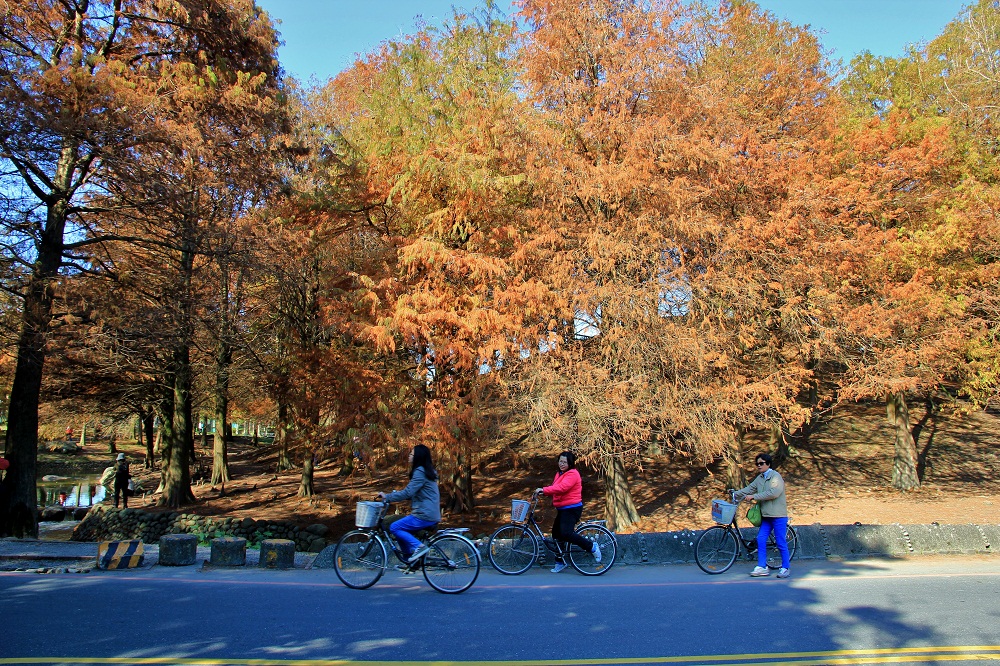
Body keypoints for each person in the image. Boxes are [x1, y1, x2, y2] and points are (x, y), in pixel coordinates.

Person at [534, 450, 601, 573]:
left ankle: (591, 547)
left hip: (572, 508)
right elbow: (556, 488)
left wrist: (544, 489)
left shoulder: (572, 474)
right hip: (562, 509)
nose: (562, 464)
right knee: (556, 534)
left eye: (565, 462)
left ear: (570, 463)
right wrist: (544, 492)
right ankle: (560, 561)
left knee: (566, 533)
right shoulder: (559, 474)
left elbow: (562, 487)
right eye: (560, 461)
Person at [377, 444, 440, 564]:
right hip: (429, 513)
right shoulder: (427, 472)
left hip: (424, 515)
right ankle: (409, 560)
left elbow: (407, 492)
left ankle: (420, 547)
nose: (409, 456)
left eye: (411, 454)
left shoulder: (420, 472)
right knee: (401, 530)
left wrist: (387, 497)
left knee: (395, 527)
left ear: (418, 457)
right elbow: (415, 493)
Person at [734, 452, 790, 579]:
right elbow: (749, 489)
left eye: (761, 463)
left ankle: (785, 567)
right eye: (757, 464)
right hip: (766, 516)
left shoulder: (776, 477)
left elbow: (773, 493)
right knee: (760, 539)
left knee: (780, 541)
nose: (759, 466)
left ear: (768, 464)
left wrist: (754, 496)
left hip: (778, 515)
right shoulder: (760, 478)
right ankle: (762, 566)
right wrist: (735, 494)